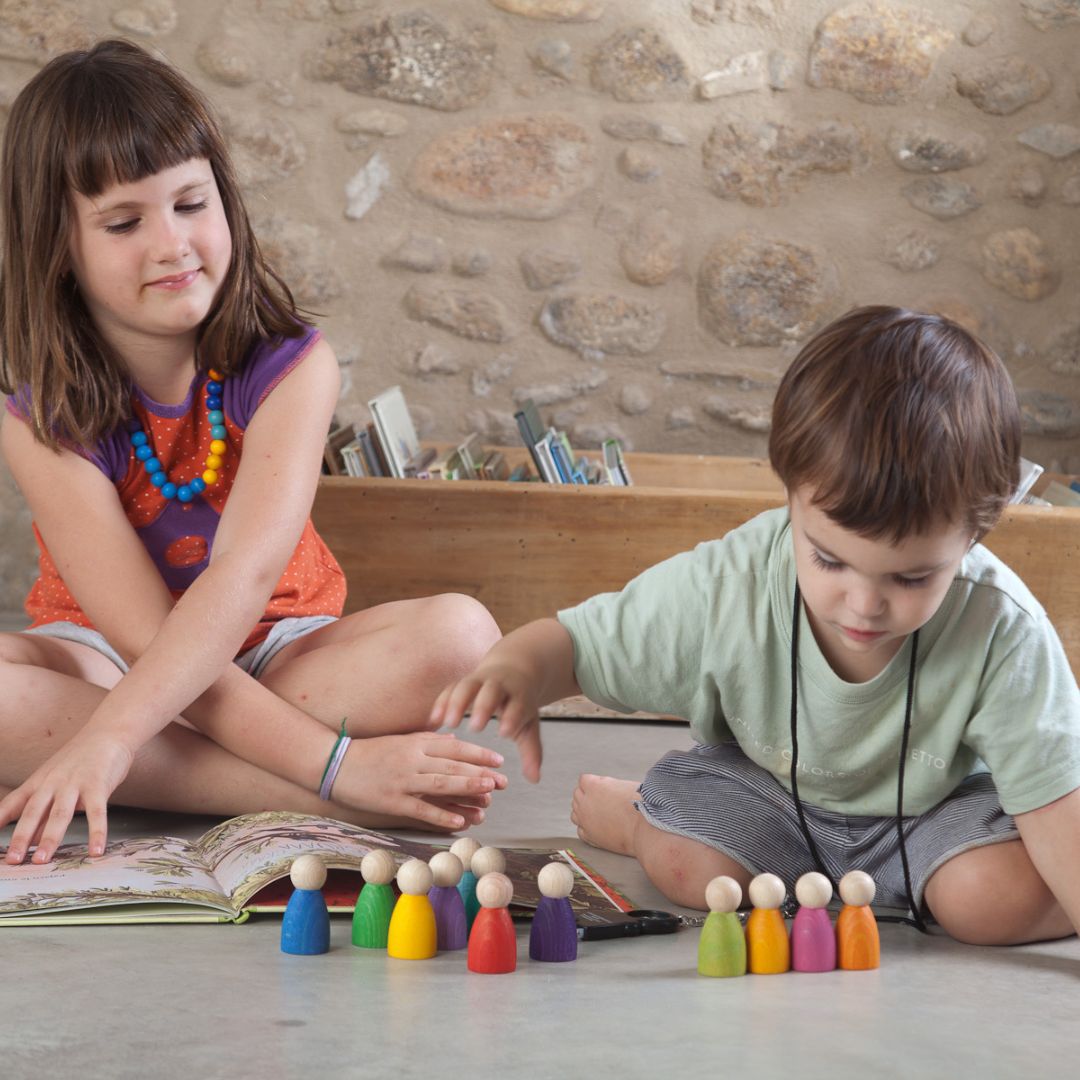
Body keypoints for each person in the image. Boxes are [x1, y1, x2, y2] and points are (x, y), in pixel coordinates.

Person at [0, 39, 506, 867]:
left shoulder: (292, 368)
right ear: (57, 246)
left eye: (190, 203)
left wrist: (109, 739)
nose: (173, 244)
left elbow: (242, 578)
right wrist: (339, 768)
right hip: (107, 660)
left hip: (276, 653)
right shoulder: (39, 416)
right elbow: (141, 635)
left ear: (225, 200)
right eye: (124, 222)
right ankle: (299, 789)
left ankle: (129, 762)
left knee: (463, 636)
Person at [433, 306, 1080, 946]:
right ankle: (633, 820)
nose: (863, 604)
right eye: (829, 560)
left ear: (975, 533)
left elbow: (1057, 806)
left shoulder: (1002, 629)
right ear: (791, 495)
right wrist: (520, 668)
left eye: (910, 578)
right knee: (691, 871)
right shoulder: (732, 584)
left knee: (996, 903)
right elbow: (581, 645)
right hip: (766, 796)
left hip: (936, 813)